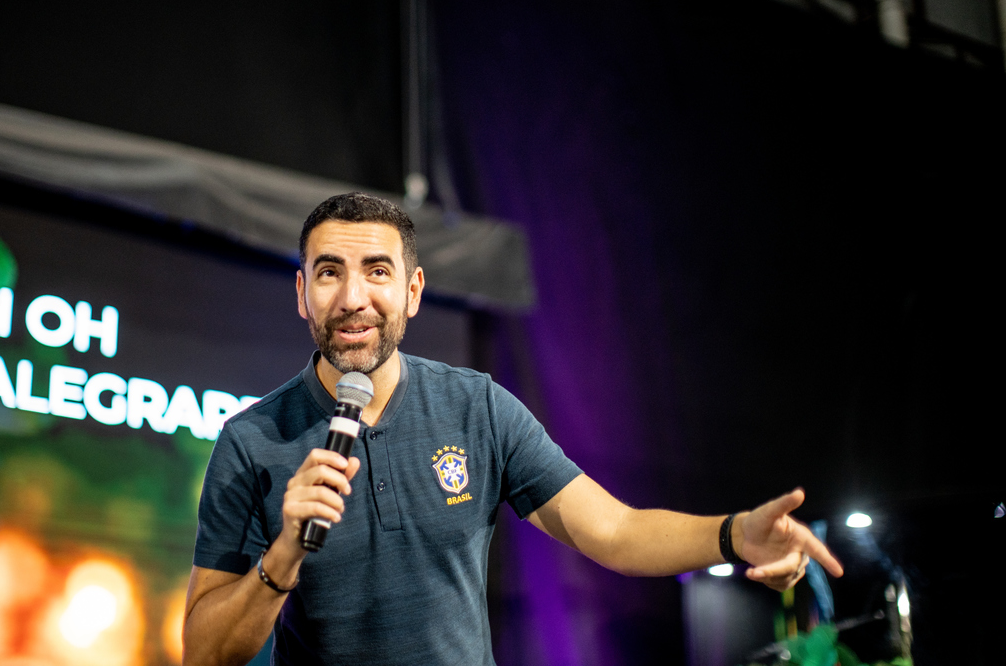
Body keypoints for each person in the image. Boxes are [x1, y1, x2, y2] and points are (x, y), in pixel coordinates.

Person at [184, 192, 842, 666]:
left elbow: (613, 531)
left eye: (377, 271)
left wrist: (732, 535)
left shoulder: (477, 408)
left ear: (413, 292)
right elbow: (205, 652)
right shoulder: (251, 441)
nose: (354, 297)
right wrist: (285, 555)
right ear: (302, 293)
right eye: (330, 272)